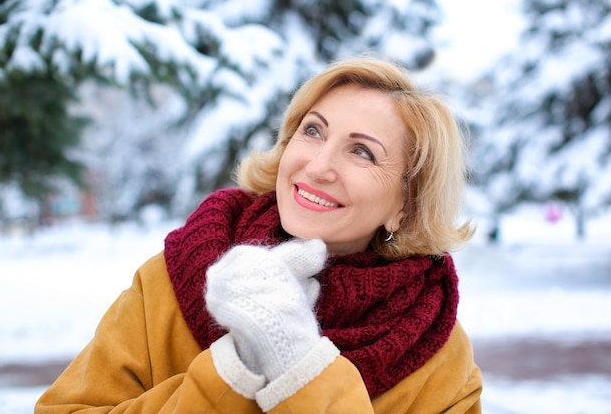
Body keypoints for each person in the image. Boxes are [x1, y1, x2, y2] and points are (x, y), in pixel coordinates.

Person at [35, 56, 482, 413]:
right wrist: (233, 371)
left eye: (361, 152)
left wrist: (299, 365)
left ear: (406, 204)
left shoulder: (436, 349)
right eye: (313, 131)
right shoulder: (169, 281)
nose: (318, 165)